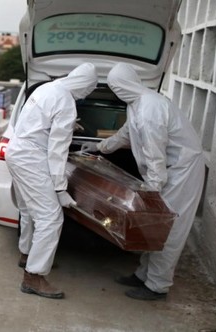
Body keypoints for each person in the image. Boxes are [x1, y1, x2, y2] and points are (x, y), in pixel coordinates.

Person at [81, 63, 206, 301]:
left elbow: (154, 153)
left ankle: (157, 286)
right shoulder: (136, 104)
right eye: (114, 88)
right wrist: (99, 147)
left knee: (169, 228)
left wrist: (153, 190)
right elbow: (126, 134)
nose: (117, 92)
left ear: (127, 83)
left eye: (118, 87)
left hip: (182, 171)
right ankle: (143, 274)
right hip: (168, 170)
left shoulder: (151, 108)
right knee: (155, 227)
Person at [6, 63, 98, 299]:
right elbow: (57, 150)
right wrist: (60, 188)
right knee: (50, 217)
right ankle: (33, 277)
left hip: (16, 150)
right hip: (31, 157)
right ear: (84, 85)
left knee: (28, 208)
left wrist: (66, 123)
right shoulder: (66, 102)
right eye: (88, 90)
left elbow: (35, 120)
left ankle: (27, 254)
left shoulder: (46, 88)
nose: (86, 95)